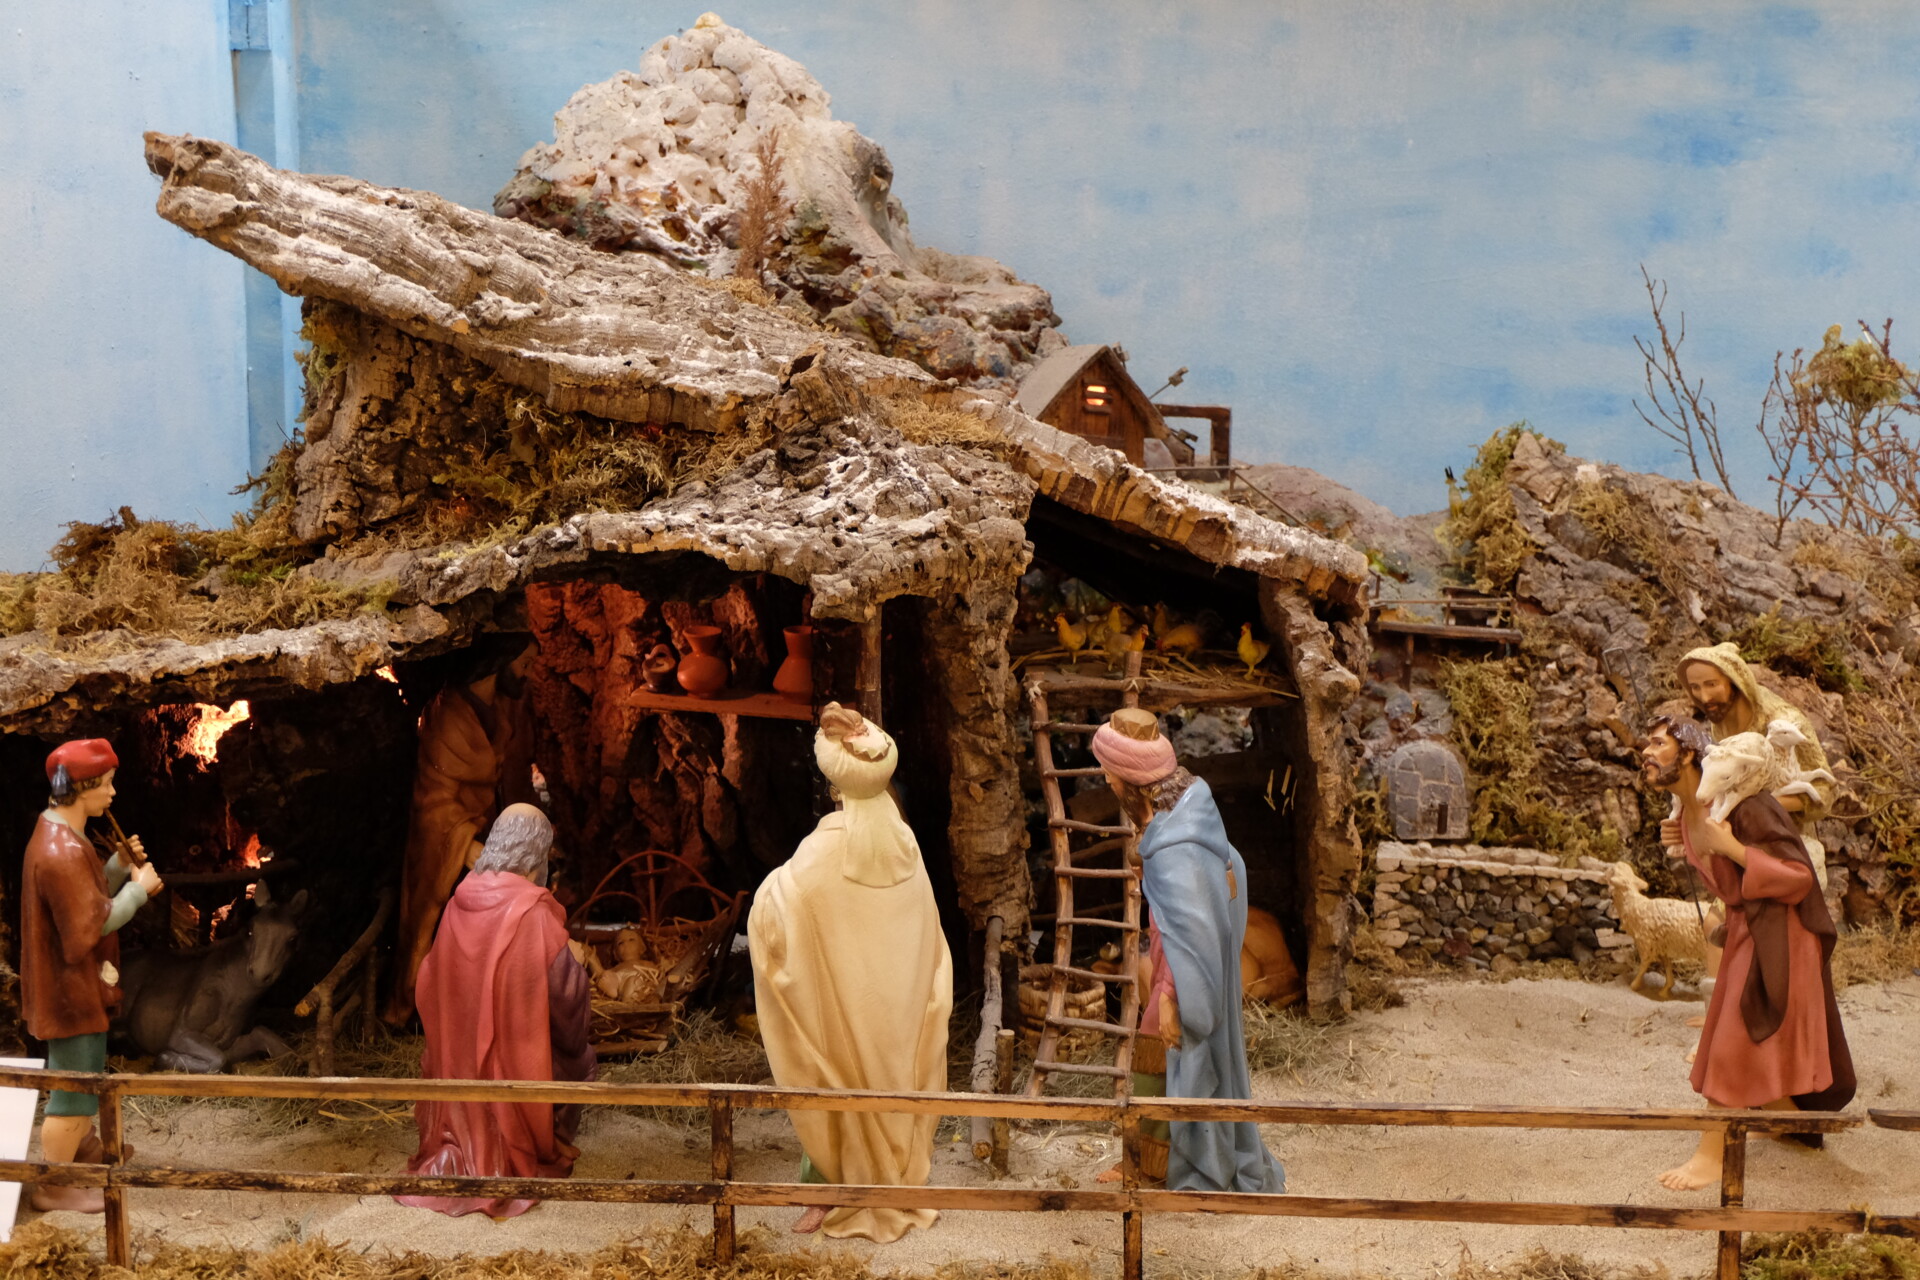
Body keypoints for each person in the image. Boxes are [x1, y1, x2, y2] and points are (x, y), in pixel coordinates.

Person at [748, 703, 951, 1243]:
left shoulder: (823, 852)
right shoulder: (906, 846)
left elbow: (778, 908)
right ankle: (898, 1177)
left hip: (849, 1007)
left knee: (832, 1071)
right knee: (894, 1077)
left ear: (834, 784)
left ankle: (836, 1185)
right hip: (900, 1008)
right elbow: (928, 929)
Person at [1638, 716, 1854, 1192]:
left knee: (1736, 1037)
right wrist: (1695, 846)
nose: (1646, 753)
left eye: (1657, 744)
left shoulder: (1752, 808)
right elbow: (1730, 889)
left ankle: (1710, 1156)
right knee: (1744, 1035)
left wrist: (1731, 848)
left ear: (1690, 753)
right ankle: (1795, 1126)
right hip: (1748, 931)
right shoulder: (1694, 813)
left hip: (1782, 935)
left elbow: (1799, 879)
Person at [1091, 708, 1285, 1195]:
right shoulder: (1188, 817)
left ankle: (1184, 1162)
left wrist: (1176, 993)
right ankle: (1148, 1161)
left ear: (1125, 778)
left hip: (1178, 973)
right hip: (1168, 958)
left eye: (1107, 771)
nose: (1104, 779)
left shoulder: (1177, 846)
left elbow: (1195, 930)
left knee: (1164, 1060)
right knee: (1154, 1061)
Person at [397, 804, 593, 1219]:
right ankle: (527, 1143)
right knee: (578, 1058)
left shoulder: (458, 901)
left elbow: (429, 980)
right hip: (516, 1061)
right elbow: (565, 996)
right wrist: (581, 975)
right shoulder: (534, 912)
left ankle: (458, 1146)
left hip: (457, 1054)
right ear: (536, 852)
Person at [21, 739, 164, 1213]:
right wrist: (138, 892)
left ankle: (81, 1152)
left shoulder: (64, 833)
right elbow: (90, 925)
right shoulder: (60, 852)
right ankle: (55, 1184)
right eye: (106, 784)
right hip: (70, 992)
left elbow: (83, 896)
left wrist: (116, 868)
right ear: (82, 788)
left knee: (84, 1076)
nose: (113, 793)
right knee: (74, 1090)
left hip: (74, 989)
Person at [385, 647, 538, 1024]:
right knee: (440, 933)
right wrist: (467, 847)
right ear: (496, 661)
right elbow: (433, 801)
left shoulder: (499, 711)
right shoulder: (447, 717)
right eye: (524, 662)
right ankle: (426, 1011)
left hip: (483, 837)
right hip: (446, 846)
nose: (527, 673)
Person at [1679, 643, 1836, 886]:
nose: (1704, 697)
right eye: (1695, 688)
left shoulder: (1784, 725)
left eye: (1712, 685)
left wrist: (1751, 808)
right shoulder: (1720, 722)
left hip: (1788, 852)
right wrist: (1684, 821)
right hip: (1742, 852)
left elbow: (1824, 794)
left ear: (1734, 680)